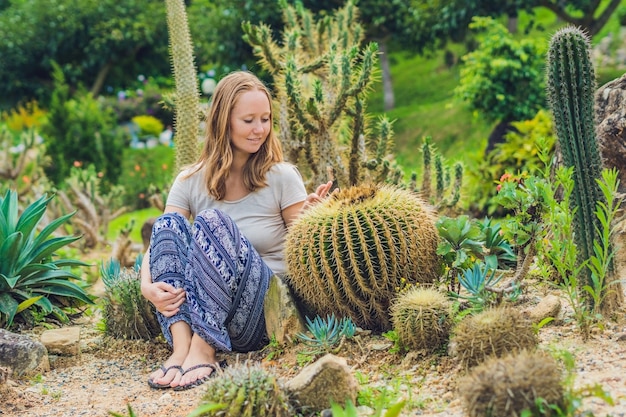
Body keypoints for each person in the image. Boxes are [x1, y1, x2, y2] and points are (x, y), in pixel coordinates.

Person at [140, 71, 332, 391]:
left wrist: (313, 220)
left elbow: (303, 255)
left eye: (265, 119)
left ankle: (205, 350)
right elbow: (161, 241)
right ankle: (182, 348)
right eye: (248, 120)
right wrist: (147, 286)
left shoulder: (282, 176)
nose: (260, 130)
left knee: (212, 222)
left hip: (258, 314)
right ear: (223, 121)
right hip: (202, 308)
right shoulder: (190, 180)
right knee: (167, 223)